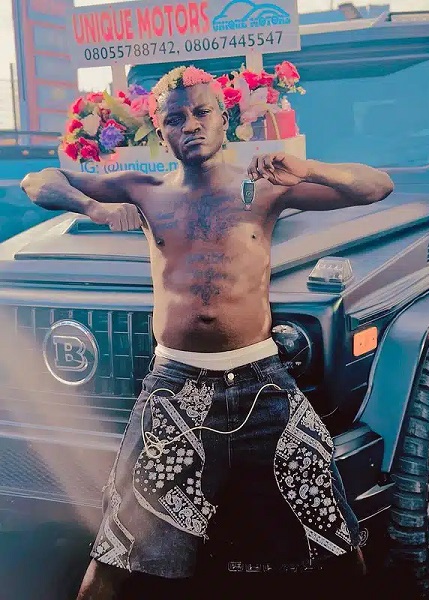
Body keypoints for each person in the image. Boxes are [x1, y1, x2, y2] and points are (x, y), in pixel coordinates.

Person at [21, 65, 393, 600]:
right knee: (116, 556)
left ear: (224, 119)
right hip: (176, 389)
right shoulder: (143, 190)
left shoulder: (264, 188)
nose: (190, 125)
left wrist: (309, 167)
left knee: (336, 539)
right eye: (175, 119)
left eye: (201, 112)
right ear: (160, 130)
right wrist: (94, 207)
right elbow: (38, 181)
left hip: (263, 384)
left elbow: (376, 186)